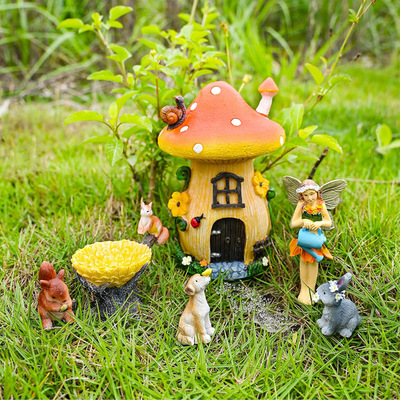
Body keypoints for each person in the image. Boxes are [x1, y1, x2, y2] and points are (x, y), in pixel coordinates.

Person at [289, 179, 332, 304]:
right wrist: (303, 221)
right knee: (303, 263)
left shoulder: (321, 205)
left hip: (315, 238)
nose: (309, 198)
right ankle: (303, 290)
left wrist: (319, 223)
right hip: (304, 238)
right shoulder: (301, 205)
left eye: (312, 194)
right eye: (306, 195)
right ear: (301, 195)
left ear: (317, 193)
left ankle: (310, 291)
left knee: (313, 263)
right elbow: (293, 223)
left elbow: (328, 222)